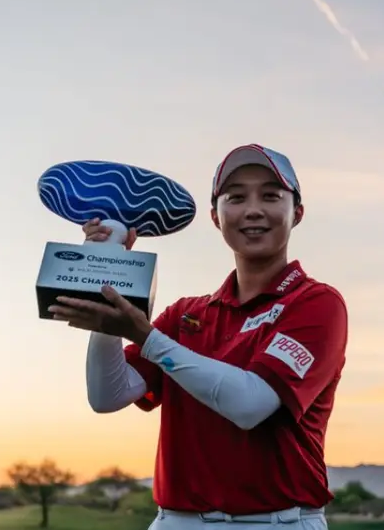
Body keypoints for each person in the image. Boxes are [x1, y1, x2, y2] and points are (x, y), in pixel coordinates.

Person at [48, 144, 349, 529]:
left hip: (278, 522)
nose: (253, 209)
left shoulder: (317, 304)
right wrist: (110, 279)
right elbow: (107, 396)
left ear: (297, 213)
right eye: (236, 197)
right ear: (215, 217)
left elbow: (251, 404)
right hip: (175, 521)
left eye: (270, 195)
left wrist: (145, 336)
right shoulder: (186, 315)